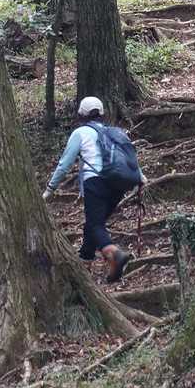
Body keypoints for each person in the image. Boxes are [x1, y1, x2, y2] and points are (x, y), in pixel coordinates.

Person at [42, 96, 145, 282]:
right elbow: (129, 157)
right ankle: (86, 258)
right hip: (117, 185)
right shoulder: (115, 132)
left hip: (95, 182)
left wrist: (50, 189)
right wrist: (140, 177)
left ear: (81, 114)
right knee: (93, 223)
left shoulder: (80, 133)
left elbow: (64, 165)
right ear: (102, 113)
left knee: (95, 224)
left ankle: (113, 253)